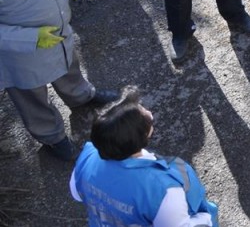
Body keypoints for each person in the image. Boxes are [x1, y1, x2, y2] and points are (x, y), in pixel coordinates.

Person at [0, 0, 118, 162]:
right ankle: (51, 136)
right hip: (20, 57)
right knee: (32, 98)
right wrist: (31, 38)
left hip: (58, 34)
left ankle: (81, 97)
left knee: (68, 65)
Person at [70, 88, 219, 226]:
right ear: (141, 137)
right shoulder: (164, 187)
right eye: (144, 114)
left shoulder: (87, 156)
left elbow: (77, 194)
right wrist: (206, 218)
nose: (148, 112)